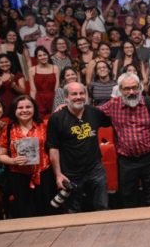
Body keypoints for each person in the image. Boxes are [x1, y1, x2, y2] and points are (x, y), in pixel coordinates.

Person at [98, 73, 150, 207]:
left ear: (140, 87)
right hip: (126, 161)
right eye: (126, 89)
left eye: (135, 88)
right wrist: (65, 108)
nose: (131, 92)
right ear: (120, 90)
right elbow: (91, 112)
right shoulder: (113, 105)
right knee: (128, 198)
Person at [46, 82, 112, 213]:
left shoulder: (94, 112)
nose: (78, 97)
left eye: (82, 93)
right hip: (70, 173)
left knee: (102, 207)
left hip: (95, 170)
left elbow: (113, 117)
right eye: (74, 94)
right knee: (73, 211)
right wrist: (58, 174)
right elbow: (53, 148)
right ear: (66, 97)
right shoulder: (56, 118)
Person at [0, 95, 54, 218]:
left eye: (28, 107)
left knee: (45, 212)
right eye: (20, 107)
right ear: (14, 110)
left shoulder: (44, 125)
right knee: (24, 212)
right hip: (18, 176)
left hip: (43, 174)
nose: (24, 110)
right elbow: (1, 155)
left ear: (34, 109)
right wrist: (13, 161)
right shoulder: (8, 129)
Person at [29, 46, 59, 113]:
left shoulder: (55, 68)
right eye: (40, 55)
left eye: (44, 54)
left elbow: (57, 88)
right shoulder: (32, 70)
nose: (43, 57)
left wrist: (57, 102)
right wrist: (32, 104)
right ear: (36, 58)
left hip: (53, 98)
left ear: (48, 55)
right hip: (39, 99)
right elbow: (33, 90)